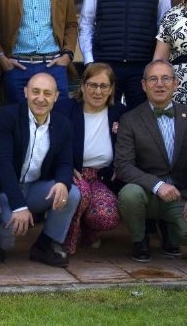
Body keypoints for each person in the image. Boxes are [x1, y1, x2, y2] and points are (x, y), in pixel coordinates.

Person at [114, 60, 187, 263]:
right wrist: (157, 185)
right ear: (143, 85)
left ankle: (169, 229)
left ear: (176, 83)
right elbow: (123, 165)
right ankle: (140, 240)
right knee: (129, 194)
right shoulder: (130, 119)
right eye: (153, 79)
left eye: (166, 78)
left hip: (180, 195)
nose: (159, 84)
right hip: (146, 193)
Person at [0, 72, 80, 267]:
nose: (41, 98)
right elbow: (2, 164)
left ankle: (45, 245)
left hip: (36, 187)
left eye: (47, 93)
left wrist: (63, 183)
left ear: (56, 96)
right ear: (25, 92)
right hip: (5, 189)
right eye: (35, 92)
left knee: (71, 194)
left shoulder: (63, 124)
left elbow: (65, 162)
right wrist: (19, 206)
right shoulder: (6, 116)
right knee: (7, 240)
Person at [55, 63, 126, 253]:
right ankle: (63, 240)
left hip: (101, 178)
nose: (97, 91)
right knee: (80, 193)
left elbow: (128, 146)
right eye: (92, 85)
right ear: (83, 86)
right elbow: (53, 143)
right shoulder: (65, 109)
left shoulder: (120, 113)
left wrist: (120, 166)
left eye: (103, 86)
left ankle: (89, 230)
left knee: (106, 215)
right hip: (72, 173)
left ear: (111, 89)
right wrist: (64, 167)